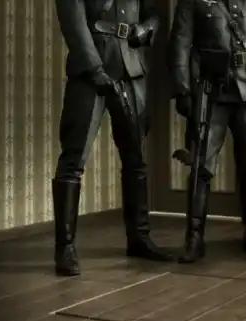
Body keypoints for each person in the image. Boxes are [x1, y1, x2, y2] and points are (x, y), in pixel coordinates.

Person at [168, 0, 246, 264]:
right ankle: (194, 238)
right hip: (209, 92)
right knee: (201, 165)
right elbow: (180, 43)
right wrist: (182, 89)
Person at [53, 0, 173, 277]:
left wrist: (146, 29)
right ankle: (65, 248)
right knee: (73, 160)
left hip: (131, 67)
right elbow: (74, 23)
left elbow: (153, 14)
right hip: (90, 72)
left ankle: (139, 238)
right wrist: (95, 70)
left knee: (136, 160)